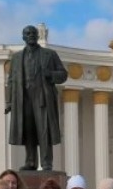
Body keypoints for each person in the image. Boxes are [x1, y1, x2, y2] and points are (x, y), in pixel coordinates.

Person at [6, 24, 68, 171]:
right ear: (23, 37)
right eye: (28, 34)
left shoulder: (49, 54)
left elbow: (63, 74)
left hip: (43, 98)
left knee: (44, 130)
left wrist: (51, 74)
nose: (31, 35)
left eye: (33, 33)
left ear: (38, 36)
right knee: (29, 130)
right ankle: (30, 162)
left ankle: (46, 162)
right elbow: (11, 81)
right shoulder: (16, 58)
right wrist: (9, 102)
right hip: (23, 99)